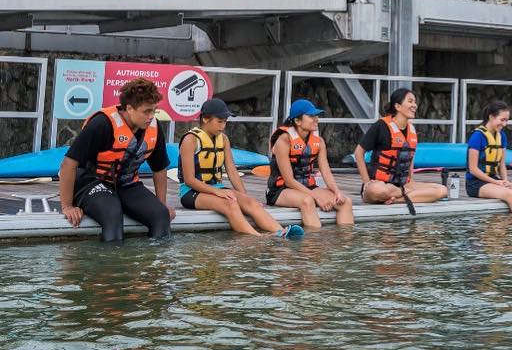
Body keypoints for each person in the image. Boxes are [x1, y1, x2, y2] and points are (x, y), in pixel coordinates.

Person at [58, 77, 174, 243]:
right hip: (91, 183)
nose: (151, 117)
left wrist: (161, 203)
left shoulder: (153, 128)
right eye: (146, 111)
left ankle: (154, 266)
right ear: (129, 108)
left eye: (154, 111)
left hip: (125, 184)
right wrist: (67, 206)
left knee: (161, 215)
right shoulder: (102, 124)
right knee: (112, 212)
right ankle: (111, 267)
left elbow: (159, 168)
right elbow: (68, 164)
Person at [177, 97, 302, 238]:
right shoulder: (190, 140)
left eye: (225, 122)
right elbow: (189, 180)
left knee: (251, 202)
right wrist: (217, 192)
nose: (223, 126)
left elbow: (232, 171)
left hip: (216, 188)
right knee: (230, 204)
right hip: (190, 193)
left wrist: (244, 196)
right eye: (219, 121)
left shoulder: (223, 139)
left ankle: (281, 232)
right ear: (205, 119)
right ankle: (258, 238)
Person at [266, 98, 354, 229]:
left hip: (308, 187)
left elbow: (326, 171)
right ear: (297, 121)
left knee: (345, 202)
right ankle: (312, 246)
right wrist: (316, 197)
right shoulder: (283, 141)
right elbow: (289, 180)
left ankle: (345, 244)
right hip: (280, 190)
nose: (316, 119)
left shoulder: (319, 141)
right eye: (311, 116)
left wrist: (337, 192)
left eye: (316, 116)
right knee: (307, 201)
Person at [356, 88, 448, 206]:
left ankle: (398, 199)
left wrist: (411, 180)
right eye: (410, 101)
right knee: (377, 190)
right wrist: (366, 182)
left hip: (404, 185)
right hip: (380, 185)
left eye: (415, 102)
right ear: (398, 106)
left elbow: (410, 157)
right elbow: (359, 152)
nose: (414, 105)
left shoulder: (412, 129)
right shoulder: (381, 126)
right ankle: (406, 194)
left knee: (442, 190)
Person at [465, 101, 512, 215]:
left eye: (506, 120)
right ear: (491, 117)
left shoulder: (501, 136)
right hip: (476, 184)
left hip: (495, 181)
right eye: (502, 120)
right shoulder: (477, 136)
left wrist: (505, 181)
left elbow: (501, 164)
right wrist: (496, 182)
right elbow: (473, 169)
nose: (505, 124)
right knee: (509, 195)